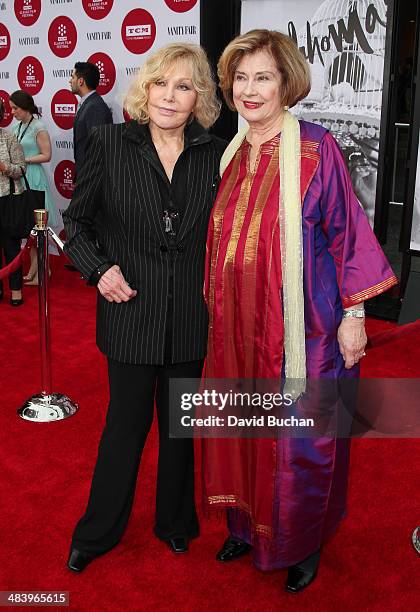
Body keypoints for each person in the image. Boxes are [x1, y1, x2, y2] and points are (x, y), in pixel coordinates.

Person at [202, 29, 398, 594]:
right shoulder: (233, 155)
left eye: (263, 76)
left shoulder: (318, 149)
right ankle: (245, 522)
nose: (250, 89)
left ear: (287, 82)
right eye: (241, 77)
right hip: (238, 330)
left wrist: (355, 316)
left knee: (301, 443)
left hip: (302, 333)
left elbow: (348, 236)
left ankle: (302, 543)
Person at [63, 43, 225, 572]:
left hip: (189, 320)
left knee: (180, 428)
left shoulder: (215, 153)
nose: (170, 96)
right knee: (124, 429)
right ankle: (98, 531)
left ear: (199, 96)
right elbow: (76, 224)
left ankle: (175, 523)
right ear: (145, 89)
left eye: (184, 86)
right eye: (161, 83)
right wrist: (98, 269)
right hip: (130, 314)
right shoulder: (109, 142)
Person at [9, 90, 59, 285]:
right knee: (27, 228)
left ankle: (41, 270)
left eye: (15, 108)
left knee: (37, 227)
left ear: (25, 107)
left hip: (34, 178)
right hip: (20, 178)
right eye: (11, 108)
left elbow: (46, 155)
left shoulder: (38, 126)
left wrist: (24, 160)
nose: (12, 112)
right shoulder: (17, 127)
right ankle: (36, 269)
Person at [0, 99, 26, 305]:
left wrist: (4, 168)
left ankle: (16, 289)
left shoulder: (9, 138)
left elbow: (21, 169)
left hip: (8, 200)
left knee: (11, 246)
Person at [69, 62, 113, 178]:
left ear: (81, 81)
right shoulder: (89, 104)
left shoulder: (94, 107)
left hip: (91, 178)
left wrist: (88, 181)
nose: (70, 81)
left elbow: (98, 149)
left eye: (72, 77)